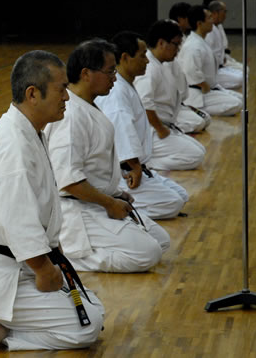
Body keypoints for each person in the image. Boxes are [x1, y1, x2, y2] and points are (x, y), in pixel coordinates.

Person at [0, 50, 104, 353]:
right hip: (6, 273)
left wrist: (54, 259)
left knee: (92, 306)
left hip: (21, 265)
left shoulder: (30, 131)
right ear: (32, 94)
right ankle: (1, 326)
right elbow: (16, 220)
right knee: (86, 328)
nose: (67, 96)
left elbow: (38, 209)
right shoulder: (13, 143)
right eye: (61, 88)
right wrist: (43, 269)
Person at [44, 40, 170, 272]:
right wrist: (110, 203)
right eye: (110, 71)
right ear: (86, 74)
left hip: (98, 201)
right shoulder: (71, 115)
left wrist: (117, 193)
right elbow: (69, 180)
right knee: (148, 253)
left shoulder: (88, 105)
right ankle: (66, 258)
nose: (114, 77)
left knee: (161, 241)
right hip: (79, 209)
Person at [95, 32, 190, 220]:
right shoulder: (117, 92)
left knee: (181, 196)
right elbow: (121, 131)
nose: (147, 60)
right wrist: (135, 167)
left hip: (138, 165)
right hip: (125, 173)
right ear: (124, 57)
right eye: (141, 55)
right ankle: (113, 208)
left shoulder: (125, 85)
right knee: (173, 203)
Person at [134, 20, 208, 170]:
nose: (178, 49)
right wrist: (160, 129)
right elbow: (144, 104)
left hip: (165, 125)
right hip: (151, 131)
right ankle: (145, 163)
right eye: (176, 44)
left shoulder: (161, 64)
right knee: (195, 156)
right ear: (161, 43)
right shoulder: (149, 69)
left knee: (200, 150)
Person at [177, 5, 242, 117]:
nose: (212, 21)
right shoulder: (193, 46)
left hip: (209, 88)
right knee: (237, 103)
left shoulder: (200, 41)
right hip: (197, 94)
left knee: (240, 98)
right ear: (199, 23)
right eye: (209, 18)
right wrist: (204, 86)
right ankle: (193, 108)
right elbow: (190, 71)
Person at [205, 0, 244, 90]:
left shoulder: (217, 27)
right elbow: (209, 55)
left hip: (221, 64)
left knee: (243, 74)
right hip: (213, 70)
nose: (225, 15)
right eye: (224, 12)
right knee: (240, 77)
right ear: (215, 13)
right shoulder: (209, 31)